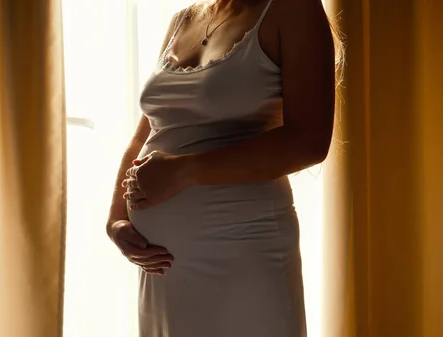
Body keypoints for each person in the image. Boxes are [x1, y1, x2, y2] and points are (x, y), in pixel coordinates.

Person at [106, 0, 338, 335]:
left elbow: (309, 142)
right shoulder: (182, 21)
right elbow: (147, 131)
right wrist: (117, 219)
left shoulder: (292, 9)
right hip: (164, 271)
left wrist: (182, 172)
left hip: (243, 254)